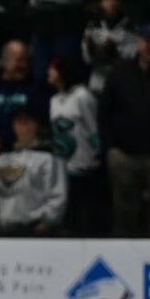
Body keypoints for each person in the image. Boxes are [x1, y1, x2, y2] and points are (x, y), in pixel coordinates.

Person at [99, 24, 150, 236]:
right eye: (146, 41)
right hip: (124, 155)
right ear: (139, 43)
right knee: (125, 213)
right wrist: (111, 147)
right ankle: (125, 260)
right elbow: (105, 111)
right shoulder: (120, 72)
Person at [0, 108, 67, 235]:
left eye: (27, 122)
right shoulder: (0, 160)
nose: (23, 127)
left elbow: (58, 196)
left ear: (37, 125)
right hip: (4, 229)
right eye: (19, 122)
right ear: (13, 126)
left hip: (35, 229)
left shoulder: (49, 158)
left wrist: (47, 223)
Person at [47, 56, 104, 235]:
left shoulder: (82, 96)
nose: (49, 72)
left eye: (53, 68)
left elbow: (93, 127)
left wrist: (97, 153)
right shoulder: (54, 100)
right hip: (63, 163)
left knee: (85, 210)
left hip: (84, 162)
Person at [0, 40, 50, 158]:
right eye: (19, 60)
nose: (24, 65)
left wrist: (3, 140)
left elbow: (37, 121)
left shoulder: (36, 89)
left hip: (24, 152)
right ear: (6, 61)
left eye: (26, 60)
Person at [81, 0, 137, 94]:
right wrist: (91, 49)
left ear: (120, 2)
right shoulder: (92, 26)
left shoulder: (130, 27)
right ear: (101, 3)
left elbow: (133, 56)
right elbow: (86, 59)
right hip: (98, 83)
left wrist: (114, 51)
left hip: (121, 84)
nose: (111, 3)